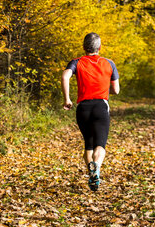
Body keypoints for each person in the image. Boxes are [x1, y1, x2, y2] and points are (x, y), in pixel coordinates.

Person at [61, 32, 120, 191]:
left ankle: (92, 175)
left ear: (83, 47)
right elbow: (116, 90)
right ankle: (97, 168)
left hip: (83, 108)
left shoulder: (76, 62)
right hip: (101, 107)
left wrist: (67, 99)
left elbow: (65, 76)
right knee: (100, 144)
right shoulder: (109, 63)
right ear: (99, 47)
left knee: (88, 145)